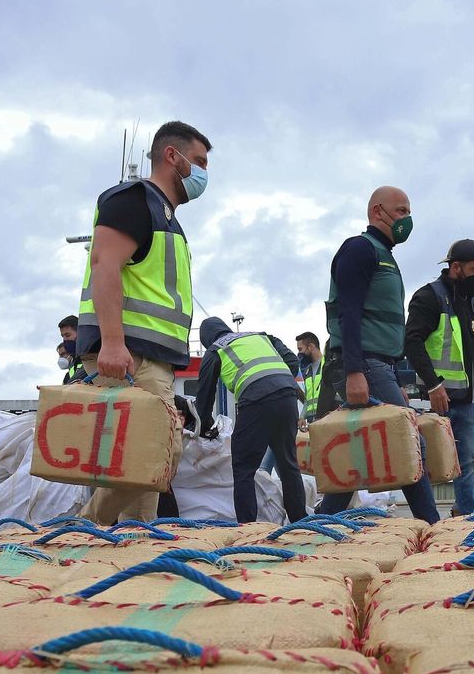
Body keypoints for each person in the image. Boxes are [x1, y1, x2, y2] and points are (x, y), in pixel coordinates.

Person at [76, 120, 210, 525]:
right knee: (154, 453)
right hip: (129, 356)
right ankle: (84, 528)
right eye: (200, 162)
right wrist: (113, 343)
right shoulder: (135, 200)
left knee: (147, 466)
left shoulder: (167, 218)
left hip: (153, 358)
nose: (204, 173)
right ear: (173, 156)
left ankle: (136, 544)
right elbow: (105, 265)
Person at [318, 186, 441, 523]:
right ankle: (431, 527)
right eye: (400, 211)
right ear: (377, 212)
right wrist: (356, 371)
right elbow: (350, 312)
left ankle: (316, 528)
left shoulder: (385, 256)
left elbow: (386, 325)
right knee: (410, 443)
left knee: (357, 458)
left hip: (378, 365)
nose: (407, 219)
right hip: (365, 364)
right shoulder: (360, 249)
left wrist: (396, 379)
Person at [404, 238, 474, 516]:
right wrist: (434, 384)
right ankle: (469, 519)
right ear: (456, 267)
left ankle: (462, 509)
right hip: (457, 397)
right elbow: (411, 342)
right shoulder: (429, 297)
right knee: (467, 462)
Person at [193, 317, 307, 524]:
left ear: (206, 338)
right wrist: (277, 382)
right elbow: (291, 360)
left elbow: (205, 396)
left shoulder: (215, 349)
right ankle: (300, 522)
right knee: (288, 463)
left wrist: (203, 426)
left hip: (257, 400)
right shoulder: (261, 336)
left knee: (244, 467)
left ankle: (248, 528)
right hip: (287, 395)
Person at [296, 331, 335, 423]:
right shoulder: (307, 371)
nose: (299, 353)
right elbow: (307, 399)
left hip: (328, 418)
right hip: (312, 422)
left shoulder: (328, 365)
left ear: (311, 347)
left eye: (300, 349)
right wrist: (302, 416)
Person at [56, 315, 88, 383]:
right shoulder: (74, 364)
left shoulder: (92, 356)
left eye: (67, 335)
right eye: (63, 336)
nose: (65, 340)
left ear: (80, 333)